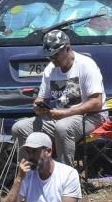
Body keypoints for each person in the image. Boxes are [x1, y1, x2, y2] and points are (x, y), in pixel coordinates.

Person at [12, 29, 107, 167]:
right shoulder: (50, 69)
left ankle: (64, 179)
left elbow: (96, 102)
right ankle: (28, 178)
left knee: (63, 127)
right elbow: (41, 98)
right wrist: (38, 106)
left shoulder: (86, 65)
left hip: (91, 116)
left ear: (68, 48)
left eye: (55, 55)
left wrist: (66, 113)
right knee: (19, 128)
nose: (52, 59)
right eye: (49, 56)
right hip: (58, 117)